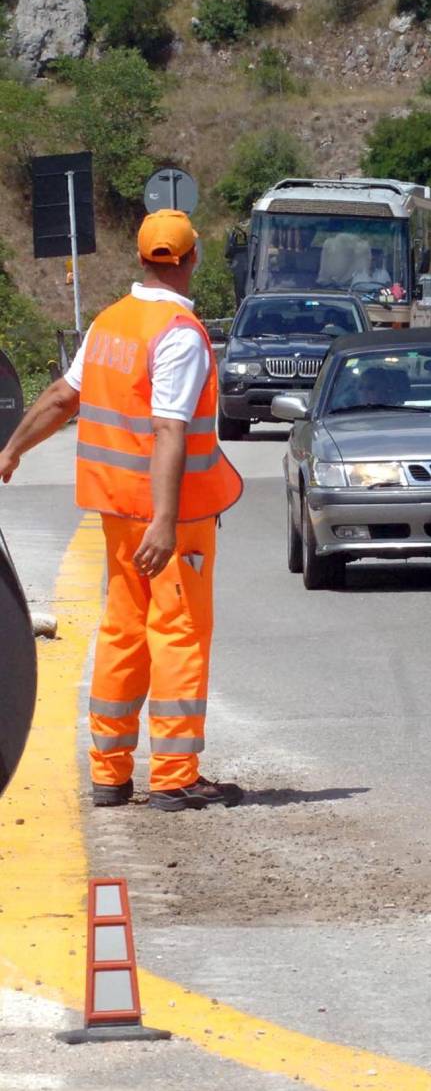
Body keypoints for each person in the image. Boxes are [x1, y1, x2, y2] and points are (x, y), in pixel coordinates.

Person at [0, 210, 244, 812]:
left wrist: (11, 450)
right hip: (173, 520)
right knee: (179, 634)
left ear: (140, 258)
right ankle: (175, 775)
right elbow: (169, 430)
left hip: (115, 512)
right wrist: (164, 520)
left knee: (123, 633)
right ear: (192, 260)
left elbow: (63, 395)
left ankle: (109, 773)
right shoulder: (180, 335)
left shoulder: (111, 323)